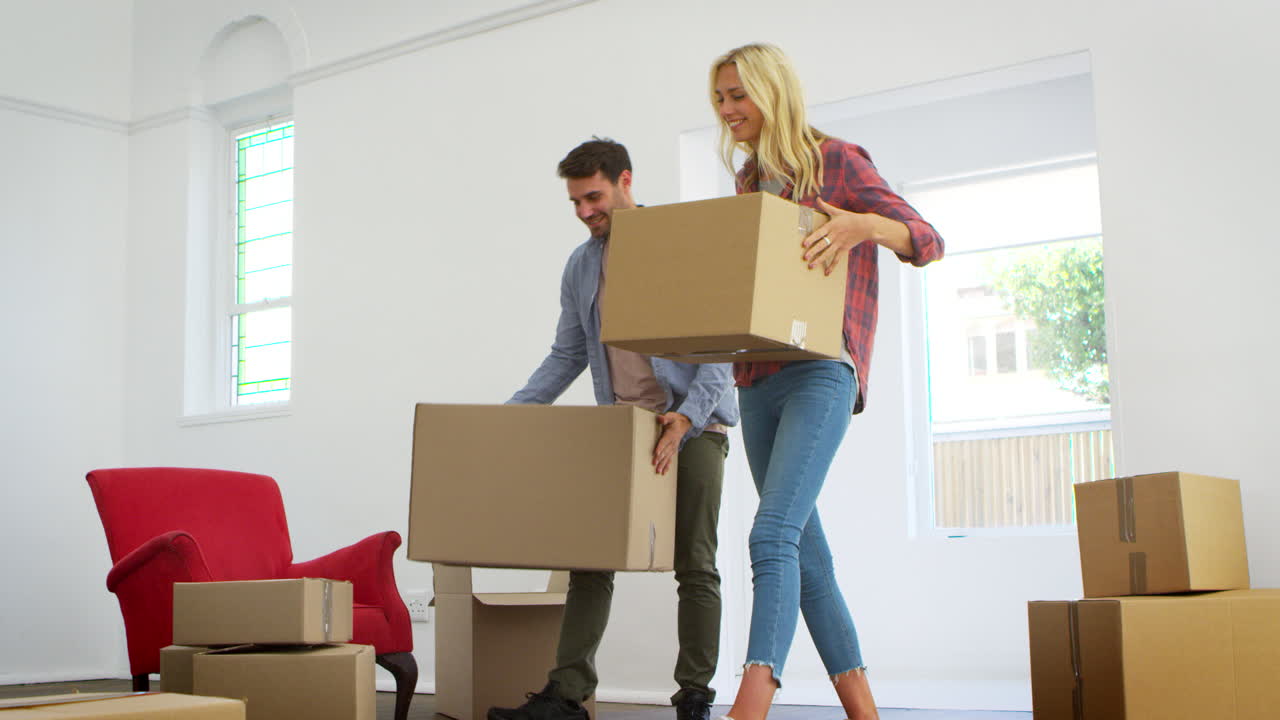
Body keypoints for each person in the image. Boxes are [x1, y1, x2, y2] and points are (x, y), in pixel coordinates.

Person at [707, 44, 945, 720]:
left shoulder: (837, 160)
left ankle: (750, 702)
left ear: (770, 91)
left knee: (770, 532)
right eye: (719, 100)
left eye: (737, 95)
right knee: (805, 552)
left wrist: (861, 224)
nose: (727, 111)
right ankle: (864, 711)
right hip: (755, 380)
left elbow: (927, 239)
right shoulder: (749, 181)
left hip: (821, 370)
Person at [488, 138, 739, 720]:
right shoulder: (581, 265)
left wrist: (690, 415)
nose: (584, 212)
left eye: (593, 197)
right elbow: (566, 354)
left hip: (695, 427)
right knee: (589, 559)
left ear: (626, 181)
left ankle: (694, 697)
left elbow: (721, 340)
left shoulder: (680, 242)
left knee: (695, 563)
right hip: (622, 430)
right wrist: (511, 415)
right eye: (575, 202)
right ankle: (567, 695)